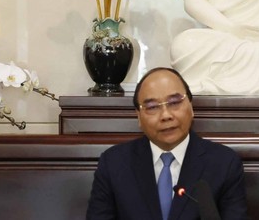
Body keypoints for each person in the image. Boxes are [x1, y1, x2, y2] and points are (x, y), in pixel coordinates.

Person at [86, 67, 249, 220]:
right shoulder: (114, 164)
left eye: (175, 103)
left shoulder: (224, 164)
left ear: (191, 108)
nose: (165, 115)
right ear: (139, 117)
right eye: (152, 107)